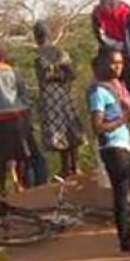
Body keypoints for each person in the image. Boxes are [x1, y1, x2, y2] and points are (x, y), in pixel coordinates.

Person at [87, 49, 130, 253]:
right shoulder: (99, 92)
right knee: (123, 193)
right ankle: (127, 241)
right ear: (103, 64)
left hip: (123, 144)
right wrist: (123, 119)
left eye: (120, 63)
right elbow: (97, 127)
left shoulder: (115, 87)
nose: (118, 66)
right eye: (114, 62)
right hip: (113, 146)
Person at [33, 22, 83, 178]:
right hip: (63, 92)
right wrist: (61, 77)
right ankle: (75, 167)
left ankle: (66, 168)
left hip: (49, 95)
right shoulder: (61, 52)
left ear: (36, 37)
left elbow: (41, 79)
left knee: (58, 130)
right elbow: (72, 74)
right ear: (49, 34)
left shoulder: (38, 55)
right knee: (70, 128)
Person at [0, 47, 34, 194]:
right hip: (16, 115)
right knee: (20, 152)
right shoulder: (13, 72)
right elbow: (23, 92)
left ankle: (3, 186)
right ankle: (22, 183)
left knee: (1, 152)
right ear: (4, 57)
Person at [91, 0, 130, 107]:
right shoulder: (125, 9)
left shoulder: (98, 11)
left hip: (110, 56)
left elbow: (99, 36)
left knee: (114, 89)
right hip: (124, 55)